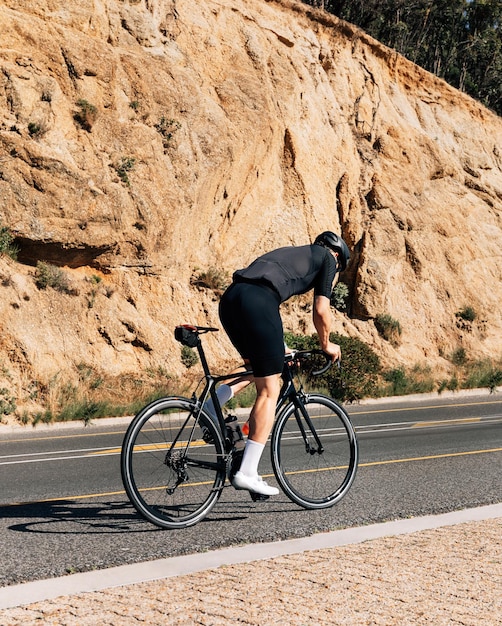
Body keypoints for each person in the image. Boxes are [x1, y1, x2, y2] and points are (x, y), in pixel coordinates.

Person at [218, 231, 350, 496]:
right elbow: (322, 310)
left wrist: (282, 349)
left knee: (255, 367)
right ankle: (248, 472)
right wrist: (326, 344)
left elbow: (261, 290)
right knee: (270, 389)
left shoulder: (293, 254)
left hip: (232, 299)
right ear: (337, 256)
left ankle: (212, 406)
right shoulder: (327, 259)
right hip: (259, 302)